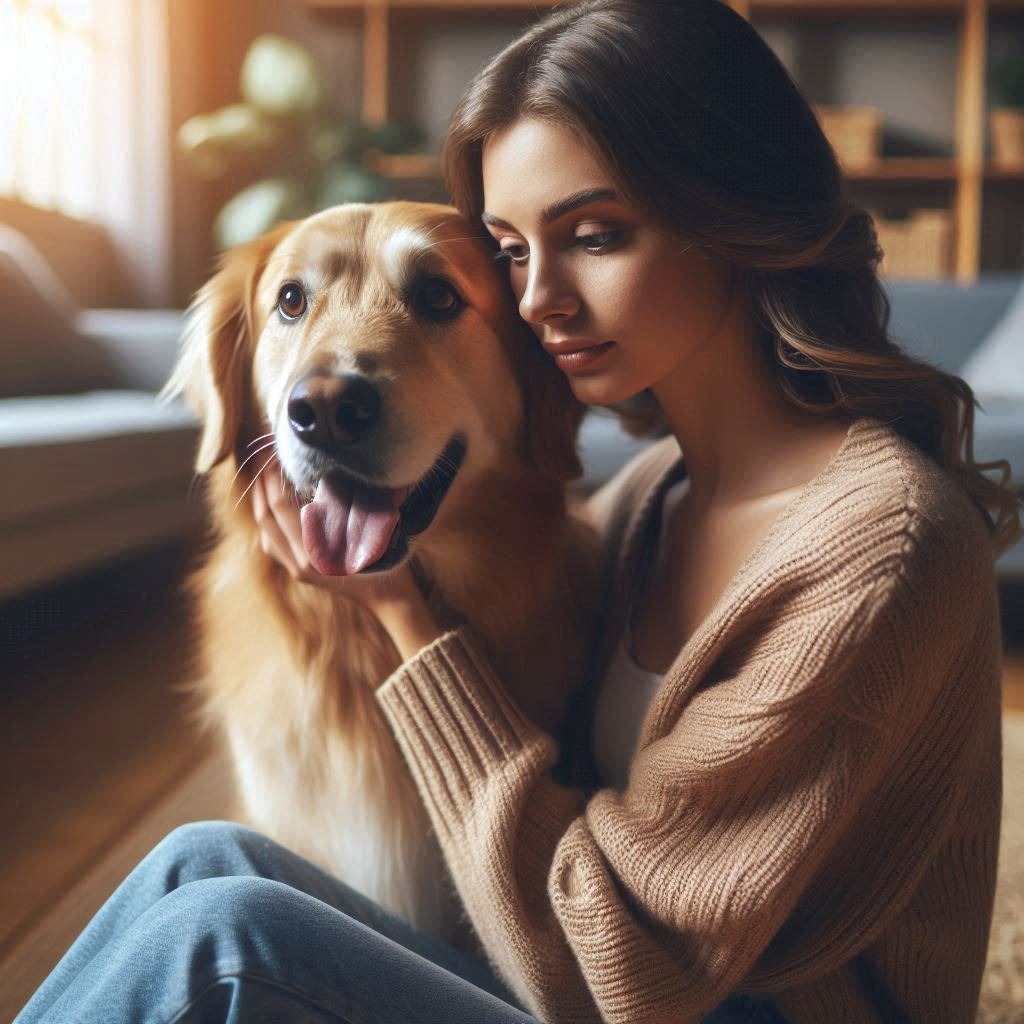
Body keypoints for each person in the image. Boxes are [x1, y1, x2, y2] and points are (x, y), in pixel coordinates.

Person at [16, 1, 1020, 1021]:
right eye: (509, 249)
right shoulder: (649, 501)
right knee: (205, 858)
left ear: (733, 217)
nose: (537, 297)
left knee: (224, 933)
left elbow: (629, 974)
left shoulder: (878, 548)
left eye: (593, 235)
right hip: (592, 980)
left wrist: (404, 617)